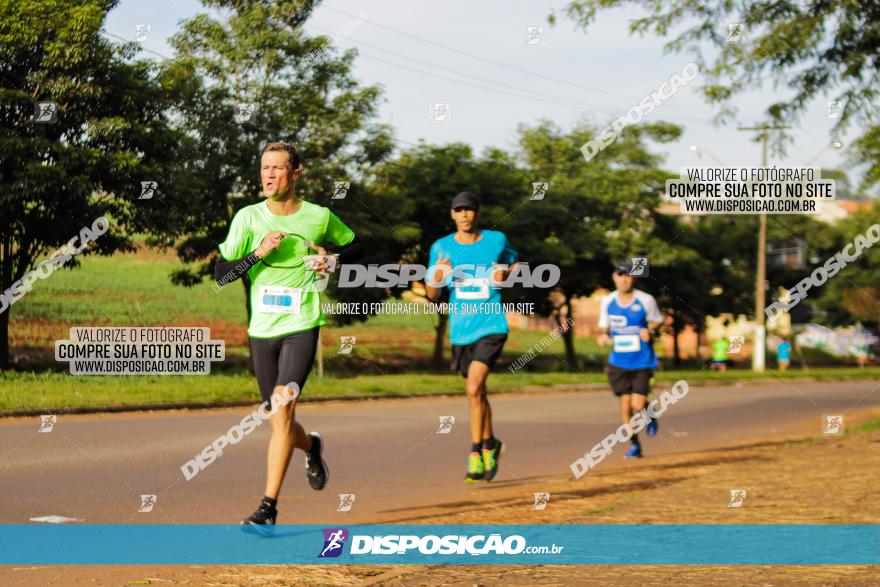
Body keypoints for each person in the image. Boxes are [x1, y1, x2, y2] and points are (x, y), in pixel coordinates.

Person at [214, 141, 357, 533]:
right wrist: (257, 254)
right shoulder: (247, 218)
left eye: (278, 167)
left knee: (282, 408)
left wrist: (332, 261)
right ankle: (311, 446)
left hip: (302, 325)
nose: (269, 174)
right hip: (262, 329)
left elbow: (352, 246)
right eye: (265, 167)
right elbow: (222, 275)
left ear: (296, 173)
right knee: (277, 419)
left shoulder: (319, 216)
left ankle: (268, 509)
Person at [425, 192, 516, 483]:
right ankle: (491, 442)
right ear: (452, 215)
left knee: (474, 388)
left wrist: (506, 275)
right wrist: (438, 276)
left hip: (492, 324)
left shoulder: (496, 240)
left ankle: (476, 452)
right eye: (459, 210)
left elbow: (514, 265)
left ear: (478, 213)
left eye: (469, 210)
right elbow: (432, 294)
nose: (464, 215)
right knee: (478, 393)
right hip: (461, 330)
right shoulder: (441, 248)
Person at [597, 261, 664, 459]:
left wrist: (649, 330)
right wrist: (603, 336)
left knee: (637, 405)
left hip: (642, 360)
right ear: (614, 277)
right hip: (618, 361)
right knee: (625, 405)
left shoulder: (646, 300)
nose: (624, 279)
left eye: (628, 275)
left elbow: (658, 320)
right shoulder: (607, 302)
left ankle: (648, 413)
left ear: (633, 277)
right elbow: (604, 327)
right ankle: (635, 445)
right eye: (620, 275)